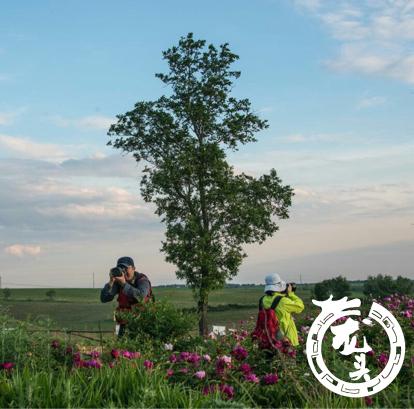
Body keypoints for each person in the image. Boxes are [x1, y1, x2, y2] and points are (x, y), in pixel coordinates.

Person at [100, 256, 154, 336]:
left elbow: (141, 297)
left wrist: (124, 284)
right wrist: (110, 283)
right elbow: (104, 298)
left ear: (133, 268)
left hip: (143, 322)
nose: (124, 271)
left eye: (126, 268)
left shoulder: (142, 280)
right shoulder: (119, 282)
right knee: (121, 347)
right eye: (121, 268)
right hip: (125, 323)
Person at [261, 273, 304, 347]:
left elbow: (275, 299)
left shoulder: (263, 300)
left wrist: (283, 295)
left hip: (269, 339)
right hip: (286, 340)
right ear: (279, 286)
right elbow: (300, 307)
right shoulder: (283, 301)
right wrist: (291, 294)